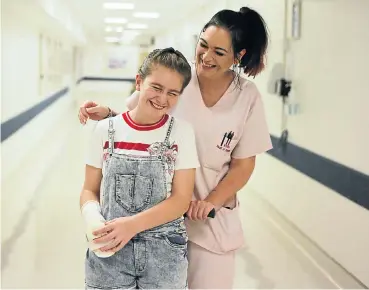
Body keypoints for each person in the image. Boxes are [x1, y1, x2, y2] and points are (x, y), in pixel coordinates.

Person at [78, 6, 272, 289]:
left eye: (219, 52)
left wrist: (210, 202)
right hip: (156, 217)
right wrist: (108, 115)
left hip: (206, 218)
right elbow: (141, 118)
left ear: (238, 56)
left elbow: (244, 164)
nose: (206, 57)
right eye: (202, 45)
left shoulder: (247, 97)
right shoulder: (179, 77)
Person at [80, 47, 200, 289]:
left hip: (164, 253)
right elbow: (88, 191)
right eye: (156, 87)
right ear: (139, 82)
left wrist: (132, 225)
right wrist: (93, 219)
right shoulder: (105, 130)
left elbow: (181, 199)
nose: (163, 99)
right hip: (110, 251)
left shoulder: (181, 132)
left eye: (173, 93)